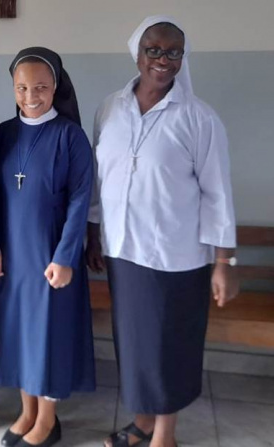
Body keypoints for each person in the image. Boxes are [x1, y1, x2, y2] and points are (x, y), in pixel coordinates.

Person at [87, 16, 239, 447]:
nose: (163, 59)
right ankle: (142, 424)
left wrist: (224, 262)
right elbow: (101, 180)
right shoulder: (110, 108)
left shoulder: (198, 118)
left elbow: (219, 195)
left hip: (177, 256)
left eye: (174, 52)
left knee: (169, 347)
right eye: (154, 50)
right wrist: (94, 233)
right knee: (134, 347)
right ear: (137, 53)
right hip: (123, 251)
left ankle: (164, 436)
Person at [0, 47, 96, 447]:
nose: (31, 96)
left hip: (52, 253)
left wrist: (66, 257)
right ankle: (27, 410)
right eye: (22, 88)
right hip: (13, 254)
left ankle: (48, 421)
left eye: (40, 87)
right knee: (20, 333)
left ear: (56, 87)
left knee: (49, 335)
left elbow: (79, 200)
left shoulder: (71, 136)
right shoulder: (3, 133)